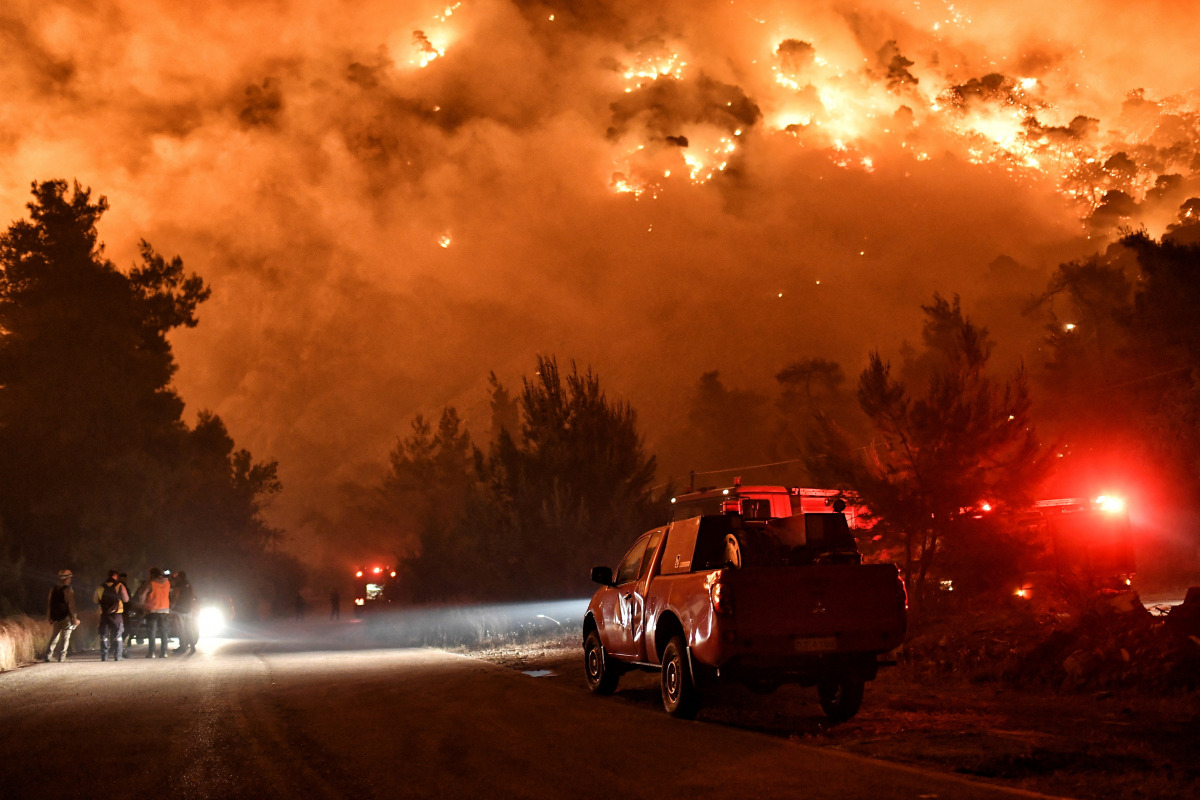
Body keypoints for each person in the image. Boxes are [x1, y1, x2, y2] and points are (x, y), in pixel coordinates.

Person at [42, 569, 80, 662]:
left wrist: (49, 616)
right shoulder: (68, 589)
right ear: (67, 578)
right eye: (70, 577)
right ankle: (62, 657)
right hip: (66, 617)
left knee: (54, 636)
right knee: (66, 637)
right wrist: (74, 618)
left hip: (56, 617)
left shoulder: (53, 589)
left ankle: (48, 655)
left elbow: (50, 603)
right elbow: (71, 605)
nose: (70, 579)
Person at [94, 569, 130, 661]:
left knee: (104, 635)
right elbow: (126, 599)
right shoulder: (120, 585)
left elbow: (95, 600)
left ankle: (104, 656)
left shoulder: (100, 587)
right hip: (117, 614)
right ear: (115, 576)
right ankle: (118, 656)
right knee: (118, 634)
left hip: (104, 614)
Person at [137, 567, 172, 658]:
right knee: (164, 632)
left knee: (152, 632)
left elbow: (142, 595)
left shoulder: (150, 583)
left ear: (151, 574)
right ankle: (164, 652)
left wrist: (142, 606)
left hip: (152, 611)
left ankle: (151, 653)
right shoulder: (167, 582)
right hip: (165, 611)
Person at [171, 571, 198, 655]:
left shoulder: (178, 586)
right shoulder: (189, 585)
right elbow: (193, 596)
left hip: (179, 610)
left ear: (179, 577)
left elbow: (175, 597)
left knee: (180, 629)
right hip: (188, 609)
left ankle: (182, 646)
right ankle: (192, 646)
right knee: (188, 628)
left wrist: (171, 608)